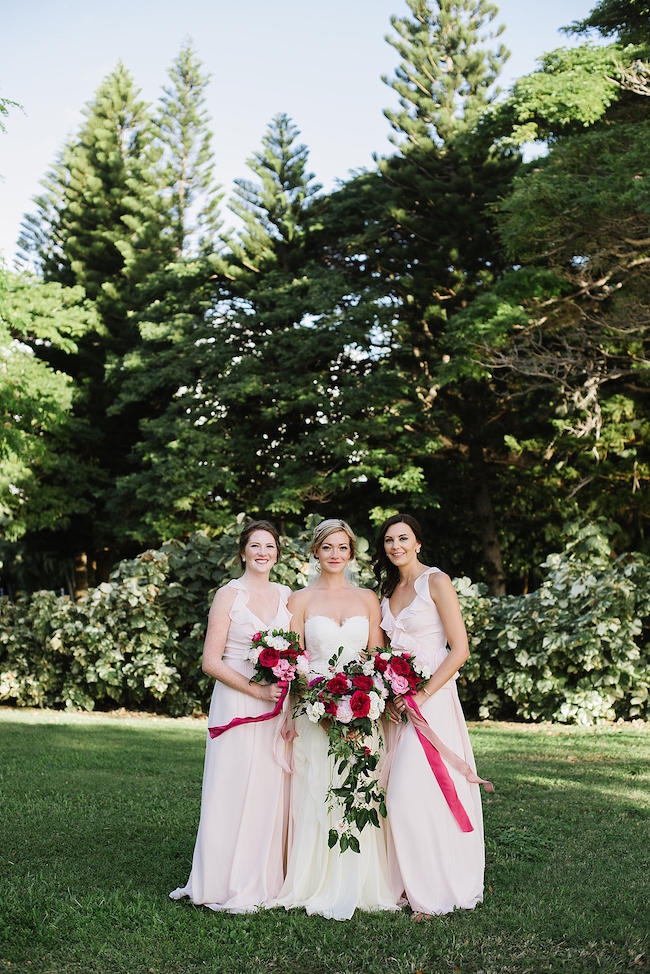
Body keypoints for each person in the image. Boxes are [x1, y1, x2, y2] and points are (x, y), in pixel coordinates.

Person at [274, 518, 397, 920]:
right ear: (315, 551)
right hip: (316, 710)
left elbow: (378, 659)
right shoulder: (299, 599)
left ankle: (362, 882)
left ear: (352, 553)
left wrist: (368, 696)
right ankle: (313, 881)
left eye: (342, 548)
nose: (335, 555)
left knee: (359, 788)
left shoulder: (367, 599)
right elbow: (294, 660)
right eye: (328, 547)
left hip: (364, 710)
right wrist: (323, 703)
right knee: (319, 789)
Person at [170, 520, 292, 912]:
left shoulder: (287, 595)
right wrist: (256, 689)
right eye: (255, 545)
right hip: (238, 701)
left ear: (277, 552)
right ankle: (221, 881)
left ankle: (266, 880)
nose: (262, 552)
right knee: (232, 785)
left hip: (277, 705)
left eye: (269, 546)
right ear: (242, 552)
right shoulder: (229, 594)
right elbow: (210, 661)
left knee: (270, 789)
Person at [375, 513, 487, 918]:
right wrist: (388, 692)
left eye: (403, 538)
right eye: (389, 540)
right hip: (398, 705)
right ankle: (411, 883)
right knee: (402, 795)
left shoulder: (436, 582)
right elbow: (384, 652)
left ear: (418, 542)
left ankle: (436, 891)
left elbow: (459, 649)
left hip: (432, 701)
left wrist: (420, 694)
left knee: (418, 792)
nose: (396, 546)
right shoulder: (386, 591)